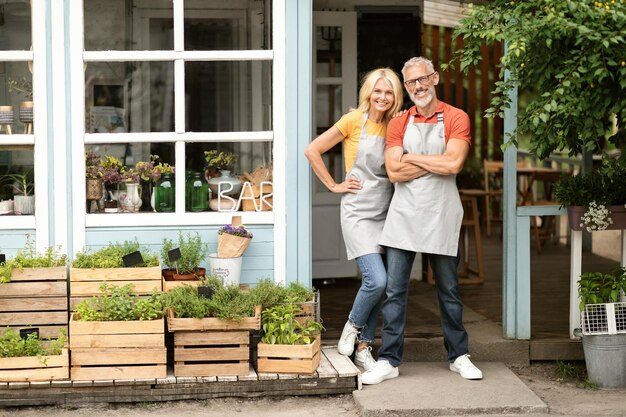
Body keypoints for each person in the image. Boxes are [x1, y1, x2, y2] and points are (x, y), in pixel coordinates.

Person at [361, 57, 483, 385]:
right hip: (404, 216)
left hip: (441, 214)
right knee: (395, 291)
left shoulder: (456, 117)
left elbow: (454, 164)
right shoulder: (399, 123)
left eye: (422, 79)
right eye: (411, 82)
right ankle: (389, 359)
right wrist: (435, 162)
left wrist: (412, 156)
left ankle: (459, 356)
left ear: (435, 78)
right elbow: (393, 172)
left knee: (449, 290)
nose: (418, 87)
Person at [304, 68, 403, 371]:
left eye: (389, 92)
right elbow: (313, 150)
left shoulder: (397, 126)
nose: (383, 97)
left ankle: (363, 348)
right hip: (358, 212)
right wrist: (334, 185)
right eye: (378, 91)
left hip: (387, 212)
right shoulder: (351, 121)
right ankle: (351, 327)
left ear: (395, 96)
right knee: (378, 279)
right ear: (368, 93)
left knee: (380, 285)